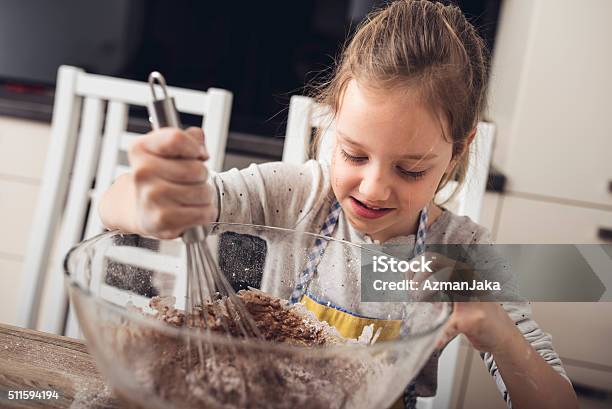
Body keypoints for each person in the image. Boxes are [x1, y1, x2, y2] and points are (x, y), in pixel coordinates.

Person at [98, 1, 578, 408]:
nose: (373, 189)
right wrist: (153, 199)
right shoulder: (297, 196)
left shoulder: (461, 252)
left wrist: (500, 334)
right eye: (353, 154)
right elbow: (114, 207)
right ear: (332, 120)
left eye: (410, 170)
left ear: (457, 150)